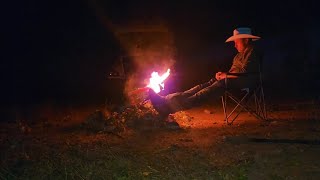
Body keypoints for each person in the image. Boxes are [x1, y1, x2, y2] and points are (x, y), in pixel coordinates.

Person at [149, 27, 262, 117]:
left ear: (246, 40)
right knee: (199, 87)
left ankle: (169, 108)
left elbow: (244, 72)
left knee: (202, 94)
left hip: (246, 82)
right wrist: (222, 75)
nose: (235, 44)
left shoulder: (253, 53)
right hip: (231, 81)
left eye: (237, 41)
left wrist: (226, 76)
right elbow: (234, 72)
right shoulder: (238, 56)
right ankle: (165, 100)